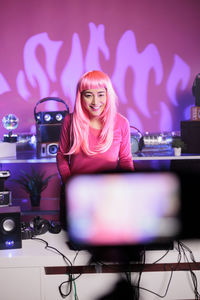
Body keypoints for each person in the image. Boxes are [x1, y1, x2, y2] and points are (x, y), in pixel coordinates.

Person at [56, 70, 134, 185]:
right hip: (77, 190)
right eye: (88, 95)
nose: (95, 102)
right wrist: (70, 184)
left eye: (101, 94)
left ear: (108, 95)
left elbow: (125, 160)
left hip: (108, 191)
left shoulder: (122, 123)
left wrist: (127, 186)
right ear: (81, 97)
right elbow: (61, 156)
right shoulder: (70, 121)